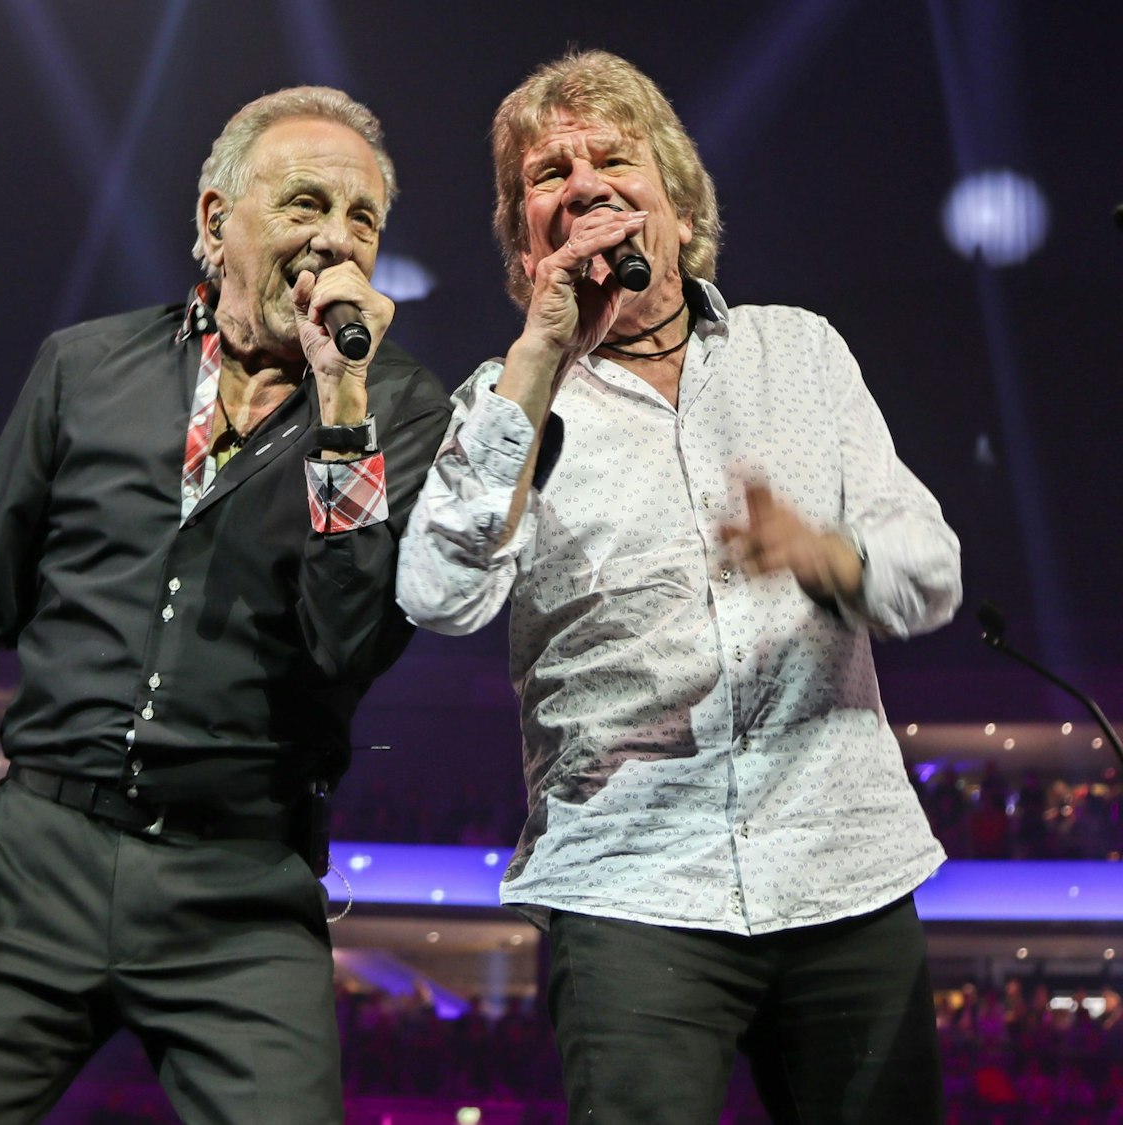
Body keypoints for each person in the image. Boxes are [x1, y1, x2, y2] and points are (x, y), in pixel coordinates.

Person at [396, 49, 962, 1124]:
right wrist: (542, 352)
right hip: (628, 890)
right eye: (547, 175)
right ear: (524, 240)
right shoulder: (503, 403)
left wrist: (826, 555)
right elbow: (437, 592)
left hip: (840, 869)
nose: (586, 184)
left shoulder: (796, 353)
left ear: (678, 202)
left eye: (613, 159)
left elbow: (928, 572)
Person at [0, 86, 450, 1124]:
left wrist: (342, 407)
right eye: (304, 204)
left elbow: (346, 646)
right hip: (35, 856)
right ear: (214, 220)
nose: (333, 239)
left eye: (361, 219)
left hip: (241, 885)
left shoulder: (401, 408)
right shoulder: (82, 368)